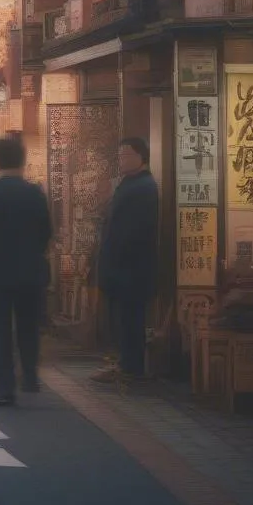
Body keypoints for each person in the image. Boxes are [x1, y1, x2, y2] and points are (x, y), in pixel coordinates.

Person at [0, 137, 52, 406]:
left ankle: (5, 388)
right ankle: (30, 374)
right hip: (31, 269)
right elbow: (46, 233)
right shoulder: (35, 193)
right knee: (29, 324)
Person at [93, 137, 160, 382]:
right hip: (120, 268)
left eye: (127, 155)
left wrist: (118, 257)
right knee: (122, 319)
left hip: (131, 269)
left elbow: (135, 231)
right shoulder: (129, 183)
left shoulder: (144, 187)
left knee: (130, 319)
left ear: (141, 156)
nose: (122, 160)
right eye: (120, 156)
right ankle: (125, 364)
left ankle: (131, 368)